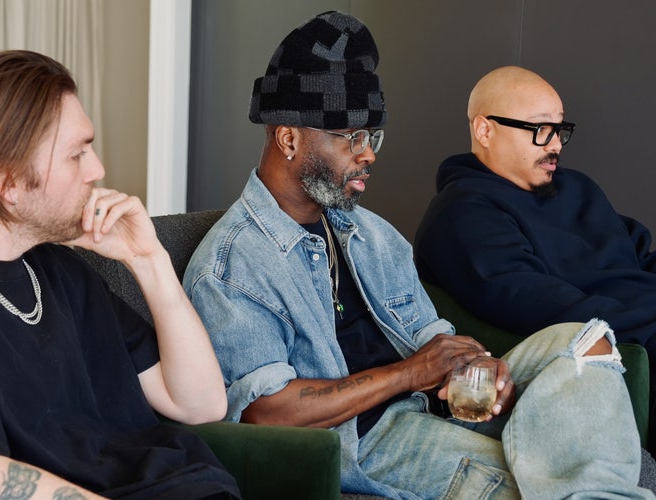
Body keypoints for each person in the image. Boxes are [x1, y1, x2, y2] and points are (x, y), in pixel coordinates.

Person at [183, 11, 653, 499]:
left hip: (434, 405)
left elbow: (429, 335)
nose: (369, 154)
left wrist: (473, 362)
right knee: (529, 479)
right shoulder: (234, 264)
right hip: (371, 439)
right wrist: (409, 374)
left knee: (586, 340)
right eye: (353, 138)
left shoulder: (371, 234)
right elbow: (265, 411)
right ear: (289, 138)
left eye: (373, 137)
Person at [0, 50, 240, 499]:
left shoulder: (63, 271)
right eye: (76, 154)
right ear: (8, 184)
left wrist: (148, 260)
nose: (98, 169)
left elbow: (200, 404)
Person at [413, 66, 656, 448]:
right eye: (540, 128)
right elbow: (539, 305)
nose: (555, 144)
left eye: (560, 129)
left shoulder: (577, 187)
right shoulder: (461, 213)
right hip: (617, 340)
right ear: (485, 130)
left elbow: (638, 255)